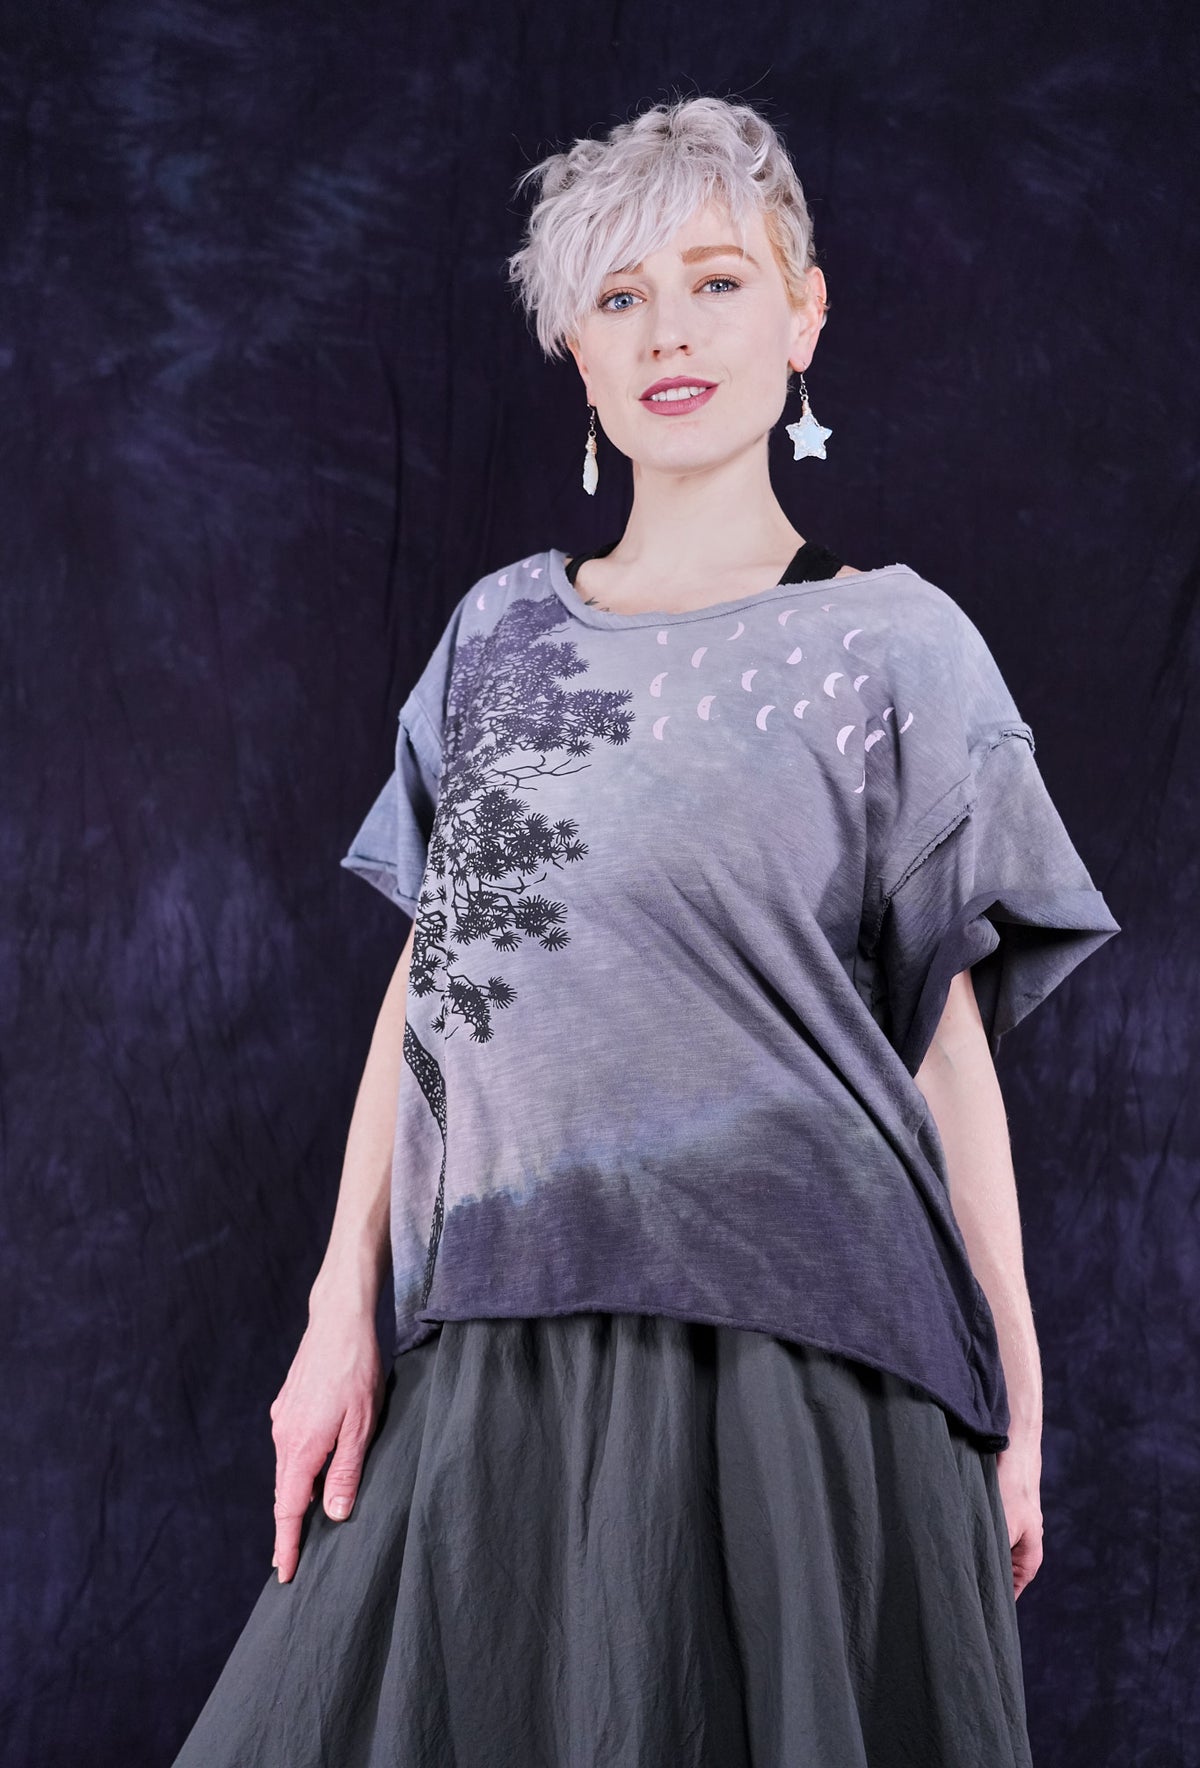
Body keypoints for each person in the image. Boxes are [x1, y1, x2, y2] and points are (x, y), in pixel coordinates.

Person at [172, 94, 1120, 1767]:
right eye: (619, 296)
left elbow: (943, 1048)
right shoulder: (495, 637)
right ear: (576, 350)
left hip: (813, 1360)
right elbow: (433, 978)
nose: (669, 331)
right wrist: (334, 1314)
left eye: (716, 283)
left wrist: (1021, 1397)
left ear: (802, 316)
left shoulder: (902, 648)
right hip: (501, 1330)